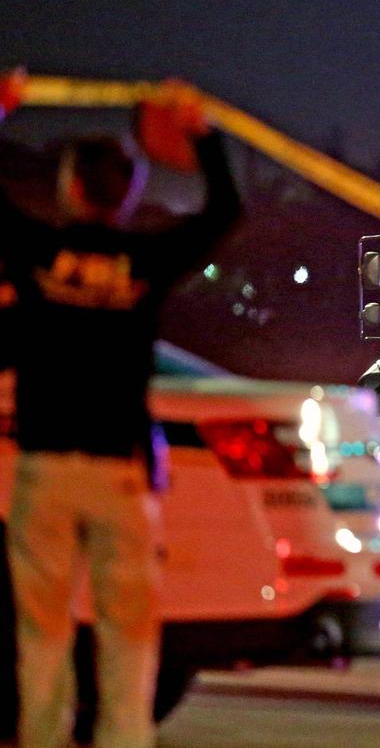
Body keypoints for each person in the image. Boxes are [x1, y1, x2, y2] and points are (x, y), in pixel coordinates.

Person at [0, 69, 240, 747]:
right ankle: (123, 739)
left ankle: (42, 737)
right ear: (129, 194)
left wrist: (1, 106)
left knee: (40, 629)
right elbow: (223, 213)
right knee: (128, 631)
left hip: (45, 469)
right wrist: (201, 134)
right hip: (120, 475)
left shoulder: (35, 252)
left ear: (69, 186)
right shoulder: (146, 260)